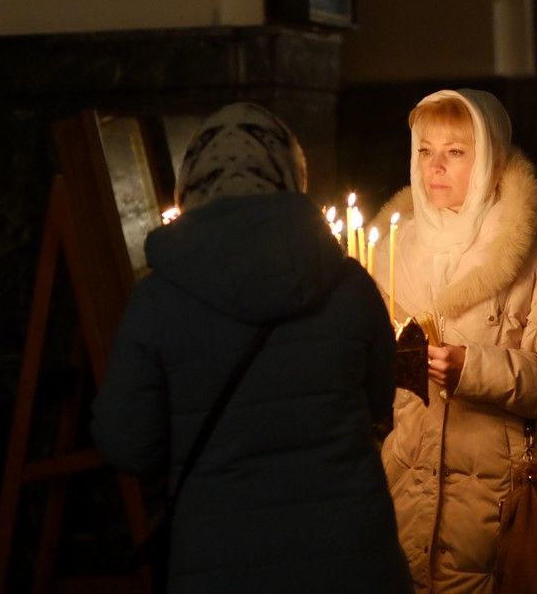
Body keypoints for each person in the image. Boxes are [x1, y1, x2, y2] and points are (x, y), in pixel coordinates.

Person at [91, 102, 411, 594]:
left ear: (190, 184)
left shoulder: (157, 301)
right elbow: (380, 402)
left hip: (220, 559)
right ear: (291, 175)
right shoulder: (348, 285)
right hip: (350, 556)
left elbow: (126, 441)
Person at [369, 89, 537, 593]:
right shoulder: (388, 252)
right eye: (425, 150)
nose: (435, 166)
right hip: (407, 495)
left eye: (455, 152)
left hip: (505, 506)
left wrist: (472, 368)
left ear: (490, 158)